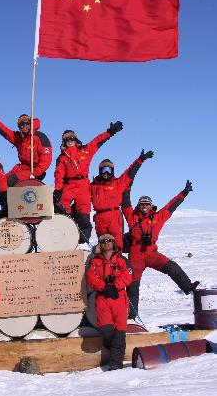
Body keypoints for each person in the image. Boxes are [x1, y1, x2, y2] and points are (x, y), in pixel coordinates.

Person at [122, 181, 200, 318]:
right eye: (142, 204)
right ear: (139, 206)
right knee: (133, 286)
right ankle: (131, 316)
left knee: (172, 267)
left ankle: (187, 287)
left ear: (151, 206)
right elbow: (126, 204)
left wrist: (184, 193)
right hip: (136, 254)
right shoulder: (132, 217)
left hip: (151, 252)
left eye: (147, 204)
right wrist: (127, 187)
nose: (144, 206)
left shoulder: (159, 217)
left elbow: (172, 206)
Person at [53, 122, 123, 243]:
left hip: (83, 185)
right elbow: (58, 175)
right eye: (66, 140)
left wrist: (110, 132)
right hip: (68, 185)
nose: (70, 141)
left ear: (75, 140)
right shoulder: (62, 158)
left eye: (72, 139)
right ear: (63, 142)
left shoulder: (86, 150)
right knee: (61, 205)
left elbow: (98, 141)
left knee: (84, 211)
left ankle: (82, 237)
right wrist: (58, 189)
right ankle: (66, 229)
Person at [90, 150, 154, 249]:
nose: (106, 172)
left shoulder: (118, 183)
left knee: (117, 244)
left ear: (112, 171)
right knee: (102, 245)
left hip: (114, 217)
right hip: (99, 218)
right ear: (99, 171)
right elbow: (80, 195)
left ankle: (118, 263)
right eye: (103, 170)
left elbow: (130, 172)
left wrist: (140, 160)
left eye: (109, 170)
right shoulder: (93, 186)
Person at [86, 234, 132, 370]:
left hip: (119, 298)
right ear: (100, 245)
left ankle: (115, 365)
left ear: (114, 243)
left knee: (119, 333)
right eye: (104, 241)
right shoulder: (95, 261)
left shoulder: (122, 260)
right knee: (106, 330)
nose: (107, 243)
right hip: (103, 298)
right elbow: (91, 277)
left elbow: (128, 276)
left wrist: (115, 286)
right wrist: (104, 287)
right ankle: (109, 347)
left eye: (110, 240)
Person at [0, 105, 52, 186]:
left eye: (27, 123)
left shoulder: (40, 137)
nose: (24, 126)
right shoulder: (18, 138)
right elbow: (5, 131)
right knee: (1, 181)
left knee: (10, 180)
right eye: (21, 124)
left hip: (34, 170)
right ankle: (6, 198)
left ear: (31, 124)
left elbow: (46, 159)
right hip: (22, 168)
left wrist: (35, 173)